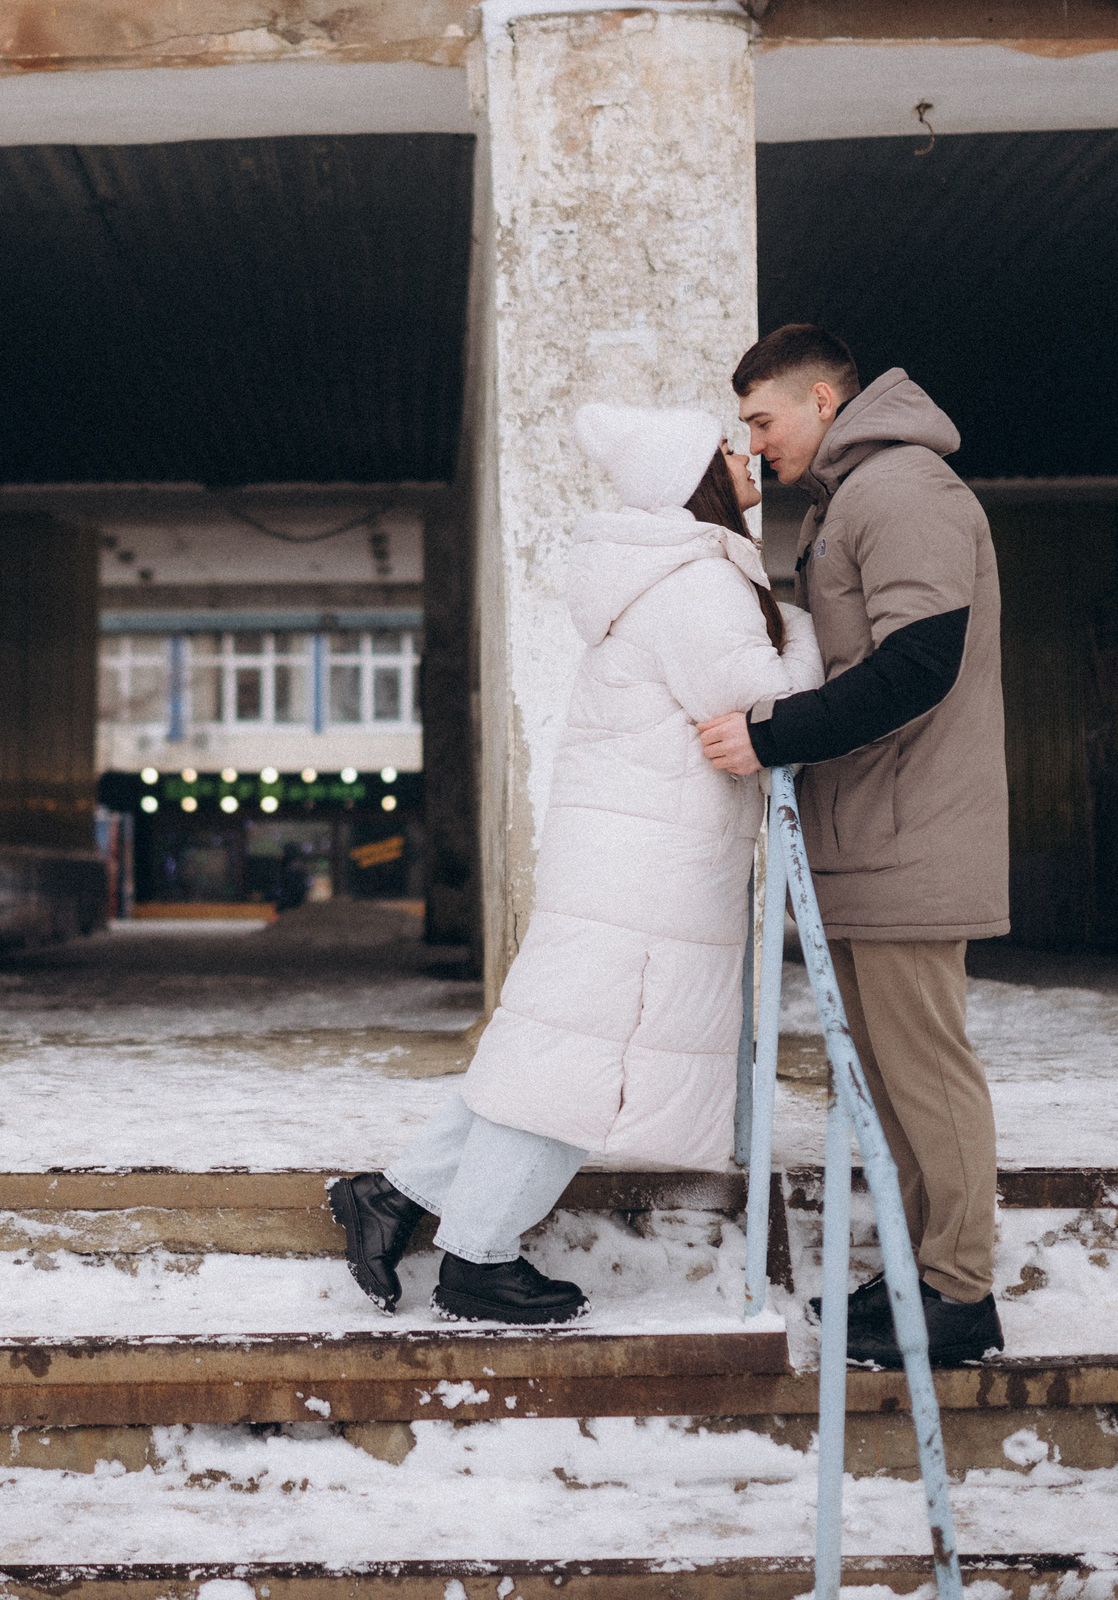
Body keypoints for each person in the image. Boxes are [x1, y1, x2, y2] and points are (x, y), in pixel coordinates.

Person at [329, 403, 823, 1324]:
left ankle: (392, 1198)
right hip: (650, 869)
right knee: (577, 1068)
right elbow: (766, 703)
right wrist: (800, 631)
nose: (749, 450)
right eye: (729, 445)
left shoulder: (668, 575)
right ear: (697, 480)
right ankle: (476, 1258)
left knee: (555, 1047)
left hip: (626, 860)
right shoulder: (697, 586)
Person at [693, 324, 1008, 1367]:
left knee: (925, 1068)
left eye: (761, 418)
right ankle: (926, 1277)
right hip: (873, 833)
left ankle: (959, 1292)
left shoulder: (901, 490)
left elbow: (921, 661)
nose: (754, 438)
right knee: (884, 1072)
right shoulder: (844, 503)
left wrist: (774, 736)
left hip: (914, 832)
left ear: (823, 401)